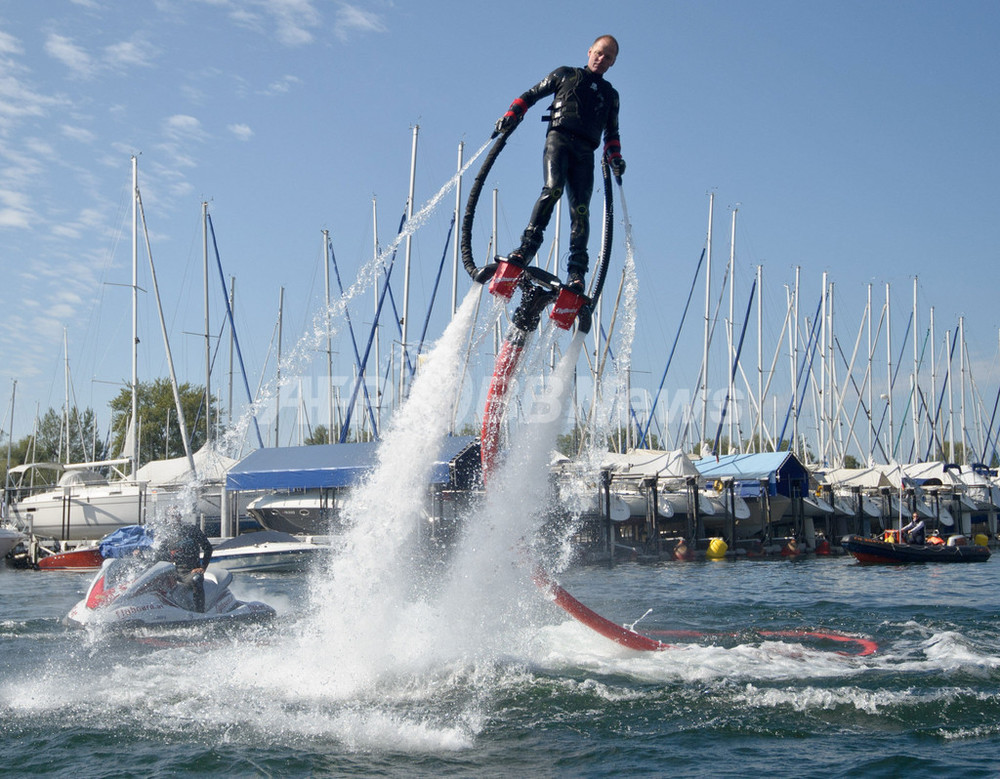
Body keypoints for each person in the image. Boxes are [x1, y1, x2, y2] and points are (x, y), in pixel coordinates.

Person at [494, 34, 624, 293]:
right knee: (552, 189)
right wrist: (512, 113)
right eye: (598, 52)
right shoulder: (566, 74)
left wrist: (616, 158)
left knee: (581, 210)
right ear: (589, 51)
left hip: (586, 151)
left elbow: (612, 134)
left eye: (608, 57)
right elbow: (532, 94)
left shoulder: (611, 95)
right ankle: (526, 249)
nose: (601, 59)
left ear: (613, 63)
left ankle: (576, 271)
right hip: (560, 139)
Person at [154, 508, 214, 612]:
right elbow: (159, 557)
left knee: (196, 580)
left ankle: (200, 613)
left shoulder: (191, 530)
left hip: (190, 572)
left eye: (177, 515)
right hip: (174, 573)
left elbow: (208, 548)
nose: (175, 518)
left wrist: (202, 568)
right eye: (172, 516)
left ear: (180, 516)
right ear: (167, 519)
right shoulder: (167, 535)